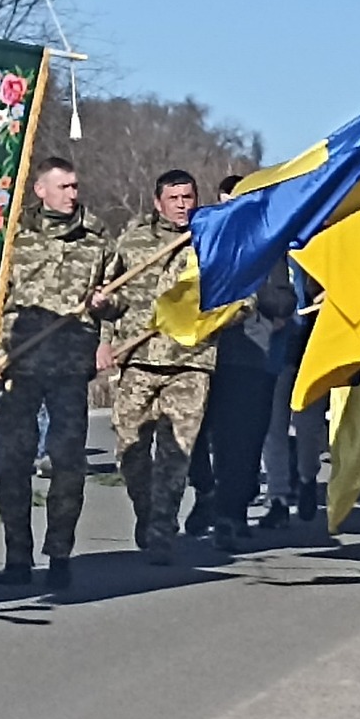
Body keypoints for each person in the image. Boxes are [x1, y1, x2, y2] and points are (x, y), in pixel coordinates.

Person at [0, 156, 116, 589]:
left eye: (76, 187)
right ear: (40, 190)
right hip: (18, 366)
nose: (72, 194)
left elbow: (119, 297)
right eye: (63, 187)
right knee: (14, 463)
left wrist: (105, 310)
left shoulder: (95, 240)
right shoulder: (12, 238)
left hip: (68, 368)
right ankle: (16, 555)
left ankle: (60, 550)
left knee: (68, 463)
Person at [107, 170, 215, 565]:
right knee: (130, 446)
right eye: (174, 198)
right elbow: (110, 293)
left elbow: (241, 298)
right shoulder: (133, 242)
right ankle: (148, 511)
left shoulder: (210, 240)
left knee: (176, 453)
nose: (183, 204)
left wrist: (224, 314)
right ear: (158, 202)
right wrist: (105, 338)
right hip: (139, 358)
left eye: (188, 196)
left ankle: (162, 529)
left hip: (190, 361)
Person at [206, 260, 297, 552]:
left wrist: (253, 296)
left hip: (250, 356)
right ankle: (207, 491)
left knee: (245, 439)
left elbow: (284, 300)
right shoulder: (205, 236)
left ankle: (230, 514)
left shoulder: (268, 247)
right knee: (197, 437)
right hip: (200, 354)